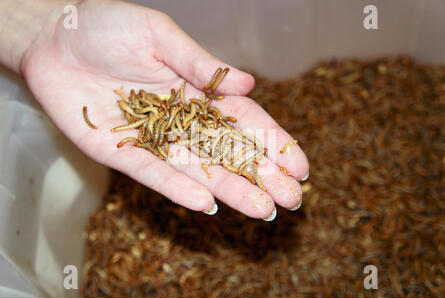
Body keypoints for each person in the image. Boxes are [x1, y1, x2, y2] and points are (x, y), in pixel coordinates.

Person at [0, 0, 309, 221]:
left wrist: (47, 30)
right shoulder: (157, 119)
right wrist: (48, 33)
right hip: (163, 124)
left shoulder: (191, 116)